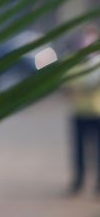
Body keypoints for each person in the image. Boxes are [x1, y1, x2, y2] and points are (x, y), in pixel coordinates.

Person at [66, 25, 100, 194]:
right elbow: (68, 85)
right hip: (79, 112)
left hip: (97, 113)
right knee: (79, 152)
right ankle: (78, 183)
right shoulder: (73, 62)